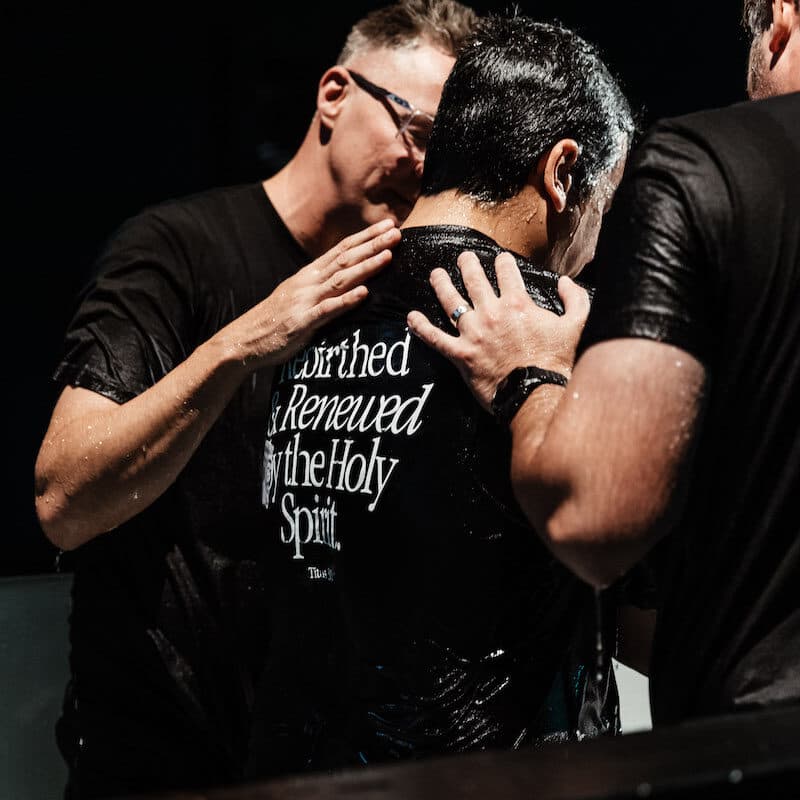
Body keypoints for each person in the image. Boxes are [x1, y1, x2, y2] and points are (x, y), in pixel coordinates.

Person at [33, 1, 478, 797]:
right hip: (159, 761)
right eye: (417, 131)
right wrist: (246, 340)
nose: (425, 165)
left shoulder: (408, 292)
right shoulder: (174, 250)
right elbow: (64, 495)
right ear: (335, 96)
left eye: (447, 152)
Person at [245, 12, 634, 781]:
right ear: (563, 172)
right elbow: (631, 575)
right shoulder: (550, 326)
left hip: (301, 774)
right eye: (605, 203)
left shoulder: (311, 299)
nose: (593, 245)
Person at [407, 0, 800, 727]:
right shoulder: (557, 307)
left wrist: (530, 379)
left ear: (780, 18)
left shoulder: (704, 166)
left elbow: (593, 519)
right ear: (565, 174)